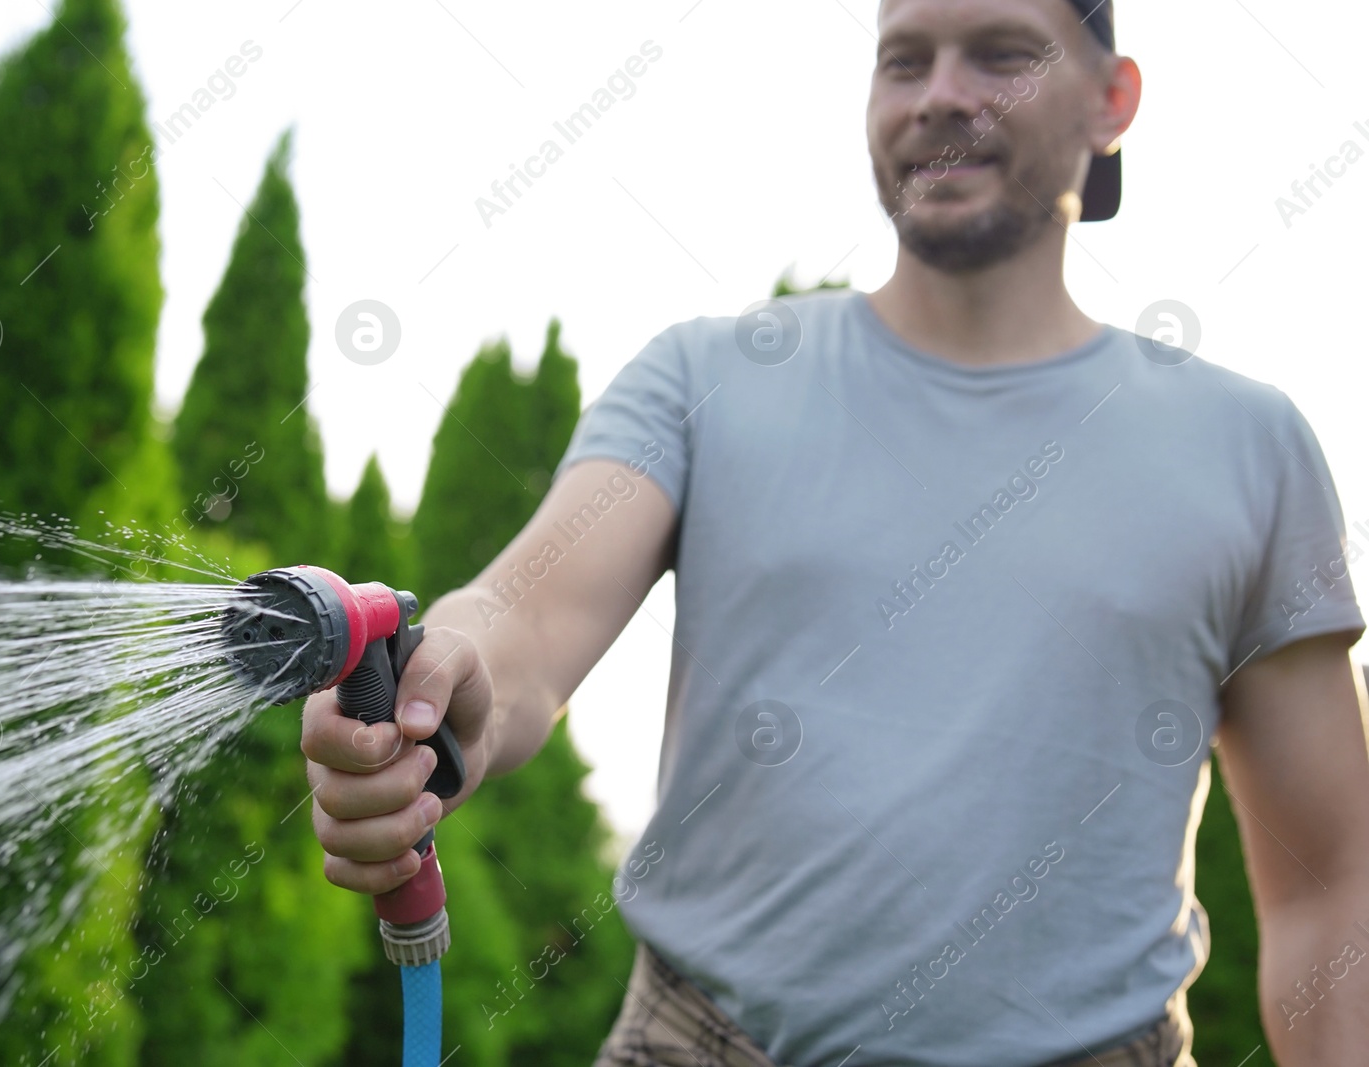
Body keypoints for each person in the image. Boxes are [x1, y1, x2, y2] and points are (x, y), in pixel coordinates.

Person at [300, 0, 1369, 1063]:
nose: (940, 93)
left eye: (999, 53)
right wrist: (451, 684)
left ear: (1112, 100)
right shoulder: (707, 377)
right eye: (903, 60)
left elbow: (1332, 887)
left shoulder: (1244, 445)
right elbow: (522, 616)